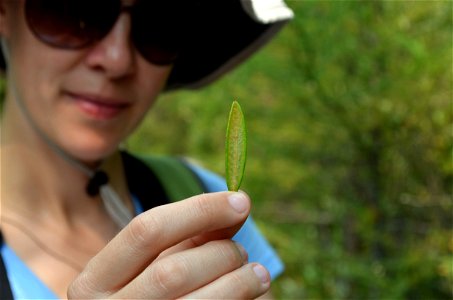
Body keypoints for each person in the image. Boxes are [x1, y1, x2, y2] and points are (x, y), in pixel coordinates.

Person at [0, 0, 293, 298]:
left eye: (158, 25)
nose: (117, 60)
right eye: (75, 14)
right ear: (4, 11)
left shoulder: (205, 200)